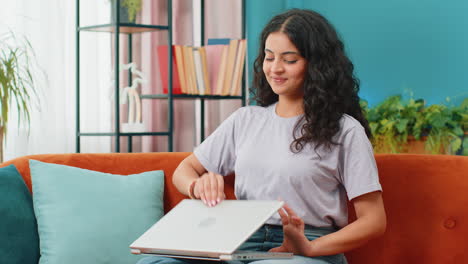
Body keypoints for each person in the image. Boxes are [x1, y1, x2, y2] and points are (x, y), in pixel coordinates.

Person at [137, 8, 386, 264]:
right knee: (154, 263)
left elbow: (374, 221)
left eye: (289, 60)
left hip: (307, 240)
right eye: (269, 58)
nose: (275, 68)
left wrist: (310, 248)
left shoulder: (345, 130)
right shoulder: (246, 119)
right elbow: (185, 169)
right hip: (238, 238)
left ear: (317, 65)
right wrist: (196, 185)